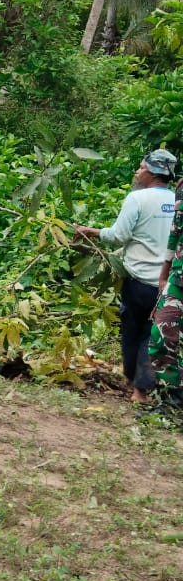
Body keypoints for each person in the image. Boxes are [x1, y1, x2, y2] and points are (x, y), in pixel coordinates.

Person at [74, 149, 177, 405]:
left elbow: (119, 234)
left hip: (138, 280)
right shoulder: (176, 201)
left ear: (153, 172)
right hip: (168, 283)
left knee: (134, 332)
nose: (137, 171)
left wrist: (92, 231)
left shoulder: (137, 199)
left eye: (141, 167)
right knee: (151, 335)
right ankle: (140, 386)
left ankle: (138, 389)